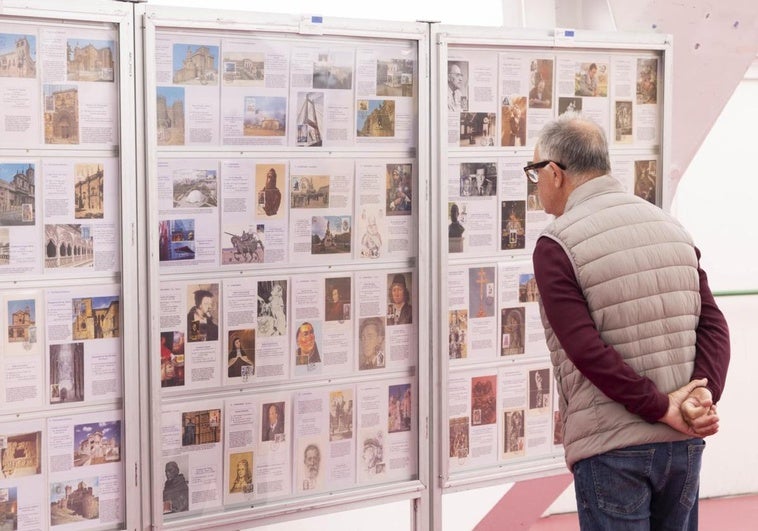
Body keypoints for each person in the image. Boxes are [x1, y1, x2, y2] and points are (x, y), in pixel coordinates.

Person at [529, 112, 730, 529]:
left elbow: (585, 350)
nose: (536, 188)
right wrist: (699, 399)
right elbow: (714, 325)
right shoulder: (671, 227)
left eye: (535, 173)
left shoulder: (557, 244)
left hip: (613, 448)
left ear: (555, 173)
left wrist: (660, 407)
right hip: (682, 444)